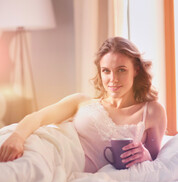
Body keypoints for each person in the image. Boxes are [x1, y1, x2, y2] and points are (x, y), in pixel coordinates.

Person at [0, 36, 167, 173]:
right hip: (42, 149)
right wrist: (17, 137)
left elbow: (155, 159)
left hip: (59, 170)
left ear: (136, 69)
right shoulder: (81, 101)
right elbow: (38, 117)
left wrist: (144, 156)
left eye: (121, 70)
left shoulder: (152, 111)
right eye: (106, 71)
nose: (113, 79)